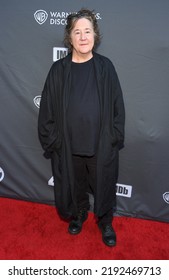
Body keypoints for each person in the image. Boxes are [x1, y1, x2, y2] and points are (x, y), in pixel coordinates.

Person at [38, 8, 125, 247]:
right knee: (74, 184)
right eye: (78, 32)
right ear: (70, 37)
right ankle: (79, 214)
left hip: (101, 145)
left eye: (87, 31)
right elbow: (46, 110)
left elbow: (118, 105)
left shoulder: (106, 67)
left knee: (104, 185)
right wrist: (55, 141)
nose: (83, 36)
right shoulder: (58, 71)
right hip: (69, 145)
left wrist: (114, 136)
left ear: (95, 35)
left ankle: (105, 221)